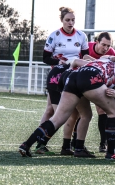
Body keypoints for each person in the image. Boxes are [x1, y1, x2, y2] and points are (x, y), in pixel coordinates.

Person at [34, 6, 89, 156]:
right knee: (57, 112)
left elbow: (85, 57)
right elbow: (45, 58)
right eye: (67, 20)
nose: (70, 23)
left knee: (58, 111)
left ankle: (65, 144)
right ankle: (40, 142)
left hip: (73, 78)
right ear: (62, 20)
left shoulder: (81, 36)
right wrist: (60, 62)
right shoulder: (55, 35)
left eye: (73, 20)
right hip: (57, 78)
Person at [70, 32, 115, 153]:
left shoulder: (113, 54)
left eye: (108, 46)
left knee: (103, 110)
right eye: (103, 44)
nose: (106, 48)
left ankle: (103, 144)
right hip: (81, 83)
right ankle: (73, 142)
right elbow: (75, 62)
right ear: (96, 42)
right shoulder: (86, 47)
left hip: (100, 85)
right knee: (78, 114)